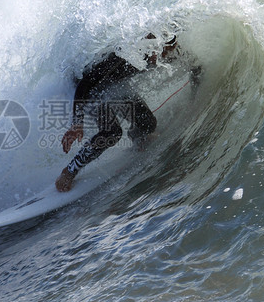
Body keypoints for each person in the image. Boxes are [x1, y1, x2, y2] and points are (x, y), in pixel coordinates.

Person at [55, 31, 180, 192]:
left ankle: (137, 138)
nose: (162, 58)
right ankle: (69, 171)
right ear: (153, 46)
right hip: (88, 86)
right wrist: (77, 123)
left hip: (113, 86)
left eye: (167, 52)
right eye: (161, 52)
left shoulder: (165, 50)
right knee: (112, 132)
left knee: (148, 124)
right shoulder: (126, 53)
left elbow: (191, 62)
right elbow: (85, 84)